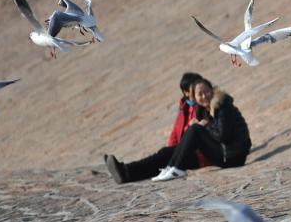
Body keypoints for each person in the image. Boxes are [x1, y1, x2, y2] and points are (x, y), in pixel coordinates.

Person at [104, 77, 251, 183]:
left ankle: (175, 168)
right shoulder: (204, 109)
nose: (204, 95)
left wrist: (203, 126)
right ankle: (128, 173)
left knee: (194, 130)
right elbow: (179, 132)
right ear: (194, 97)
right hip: (214, 153)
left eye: (206, 91)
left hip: (231, 157)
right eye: (200, 94)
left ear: (211, 90)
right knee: (166, 153)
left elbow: (223, 136)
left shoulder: (221, 105)